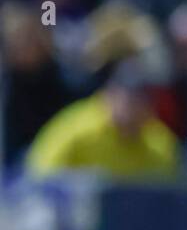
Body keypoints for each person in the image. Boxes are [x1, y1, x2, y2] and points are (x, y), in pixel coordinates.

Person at [24, 58, 178, 181]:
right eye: (129, 96)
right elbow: (40, 177)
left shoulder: (159, 142)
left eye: (143, 98)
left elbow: (168, 196)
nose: (135, 105)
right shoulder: (76, 128)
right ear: (110, 94)